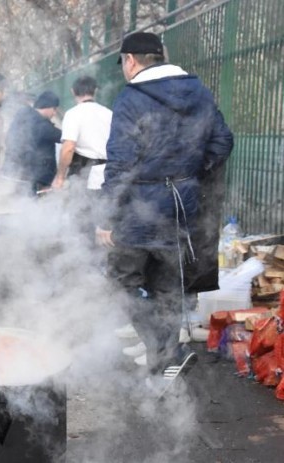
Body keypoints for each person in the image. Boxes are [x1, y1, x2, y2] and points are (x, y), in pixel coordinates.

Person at [96, 32, 234, 396]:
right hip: (183, 205)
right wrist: (189, 174)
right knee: (169, 288)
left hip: (139, 209)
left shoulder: (132, 98)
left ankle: (164, 350)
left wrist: (106, 217)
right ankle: (163, 364)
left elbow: (121, 163)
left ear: (130, 60)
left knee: (119, 282)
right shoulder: (199, 91)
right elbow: (223, 141)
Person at [52, 75, 112, 191]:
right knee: (103, 207)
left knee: (82, 208)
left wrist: (60, 177)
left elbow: (68, 147)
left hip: (84, 175)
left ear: (73, 92)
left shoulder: (72, 114)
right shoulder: (109, 113)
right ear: (95, 90)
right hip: (108, 173)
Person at [0, 90, 62, 195]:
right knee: (32, 208)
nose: (55, 113)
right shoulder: (42, 125)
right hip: (31, 180)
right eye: (54, 109)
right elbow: (64, 137)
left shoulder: (21, 117)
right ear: (47, 106)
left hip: (12, 175)